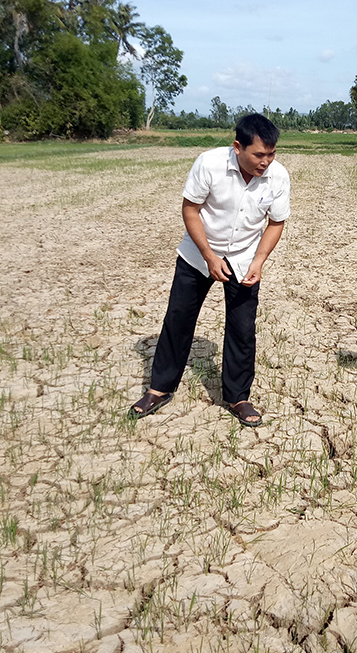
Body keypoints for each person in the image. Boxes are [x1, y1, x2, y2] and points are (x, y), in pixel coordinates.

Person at [129, 113, 290, 427]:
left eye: (271, 154)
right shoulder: (209, 164)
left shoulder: (278, 176)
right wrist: (208, 255)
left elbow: (276, 222)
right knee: (178, 319)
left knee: (242, 329)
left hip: (244, 258)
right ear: (237, 147)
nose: (266, 161)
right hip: (198, 254)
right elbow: (191, 209)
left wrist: (258, 262)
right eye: (259, 154)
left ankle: (238, 396)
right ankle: (159, 388)